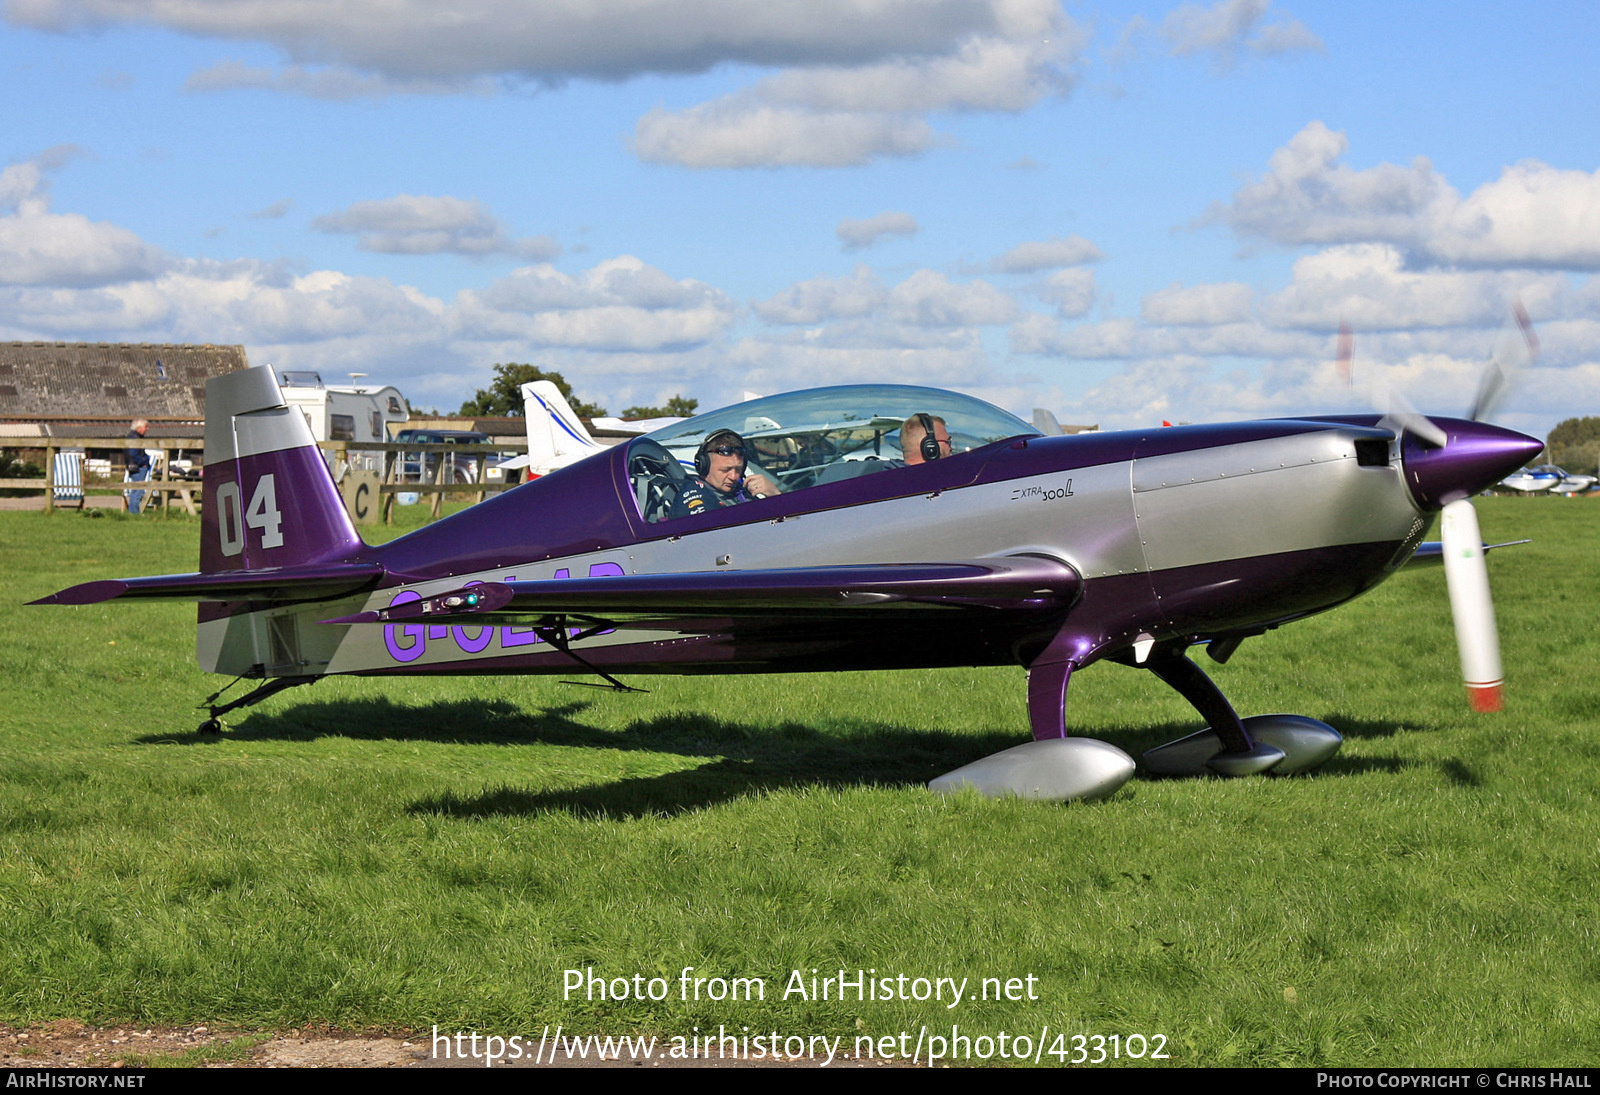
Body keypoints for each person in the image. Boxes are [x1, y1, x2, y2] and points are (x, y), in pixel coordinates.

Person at [668, 429, 781, 518]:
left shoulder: (738, 492)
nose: (733, 477)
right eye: (725, 470)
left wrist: (775, 496)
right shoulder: (696, 498)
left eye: (738, 469)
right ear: (704, 466)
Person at [124, 418, 153, 515]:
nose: (147, 429)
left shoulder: (133, 437)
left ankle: (133, 512)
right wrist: (144, 461)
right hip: (137, 467)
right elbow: (133, 454)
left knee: (136, 490)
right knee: (137, 491)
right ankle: (134, 513)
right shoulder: (134, 438)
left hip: (135, 466)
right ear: (139, 428)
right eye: (145, 427)